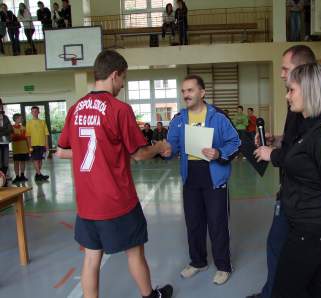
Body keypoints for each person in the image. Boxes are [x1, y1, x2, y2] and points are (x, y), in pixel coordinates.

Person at [55, 50, 173, 298]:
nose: (123, 85)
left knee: (90, 259)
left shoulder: (75, 109)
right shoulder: (119, 109)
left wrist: (98, 154)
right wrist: (161, 147)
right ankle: (150, 296)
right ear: (114, 75)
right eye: (123, 79)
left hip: (87, 203)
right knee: (135, 252)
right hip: (118, 201)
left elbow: (61, 151)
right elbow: (139, 154)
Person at [246, 45, 321, 298]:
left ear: (308, 89)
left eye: (291, 89)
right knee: (320, 286)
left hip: (313, 227)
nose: (287, 95)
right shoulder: (308, 124)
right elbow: (305, 160)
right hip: (302, 218)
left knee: (286, 288)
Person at [163, 74, 240, 285]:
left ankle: (223, 265)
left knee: (218, 224)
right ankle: (198, 262)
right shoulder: (179, 120)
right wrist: (165, 150)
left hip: (214, 175)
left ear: (202, 93)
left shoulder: (218, 117)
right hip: (191, 177)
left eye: (190, 90)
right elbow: (172, 147)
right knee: (194, 224)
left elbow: (236, 142)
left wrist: (219, 153)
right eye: (183, 91)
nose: (186, 95)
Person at [26, 106, 50, 181]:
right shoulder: (29, 122)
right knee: (36, 160)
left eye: (36, 111)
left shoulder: (42, 122)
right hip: (33, 145)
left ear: (38, 112)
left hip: (42, 144)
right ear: (31, 113)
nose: (35, 113)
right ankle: (39, 174)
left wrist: (46, 144)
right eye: (33, 111)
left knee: (40, 160)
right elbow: (28, 136)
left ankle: (37, 174)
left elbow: (46, 134)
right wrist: (29, 146)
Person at [11, 113, 29, 184]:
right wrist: (20, 136)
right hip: (16, 149)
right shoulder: (11, 128)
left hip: (24, 148)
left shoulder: (23, 128)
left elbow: (26, 138)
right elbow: (12, 137)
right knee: (16, 163)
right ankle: (17, 176)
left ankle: (22, 175)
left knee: (23, 162)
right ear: (16, 119)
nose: (21, 119)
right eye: (20, 118)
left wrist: (28, 147)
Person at [0, 99, 12, 179]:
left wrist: (2, 130)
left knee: (5, 160)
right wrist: (4, 130)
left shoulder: (5, 117)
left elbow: (9, 128)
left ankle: (4, 175)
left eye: (0, 105)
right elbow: (6, 129)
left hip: (5, 141)